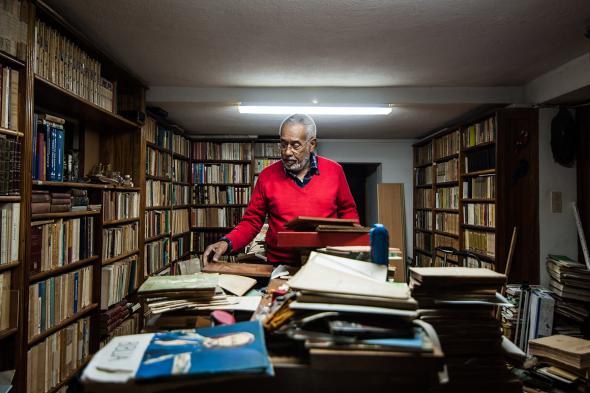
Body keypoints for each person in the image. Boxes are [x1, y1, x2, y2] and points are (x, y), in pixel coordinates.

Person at [203, 113, 359, 264]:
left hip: (325, 261)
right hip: (280, 264)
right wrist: (226, 242)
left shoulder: (335, 171)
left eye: (295, 145)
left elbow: (349, 215)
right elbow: (251, 222)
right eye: (283, 144)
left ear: (312, 144)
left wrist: (352, 248)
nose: (287, 152)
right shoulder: (266, 176)